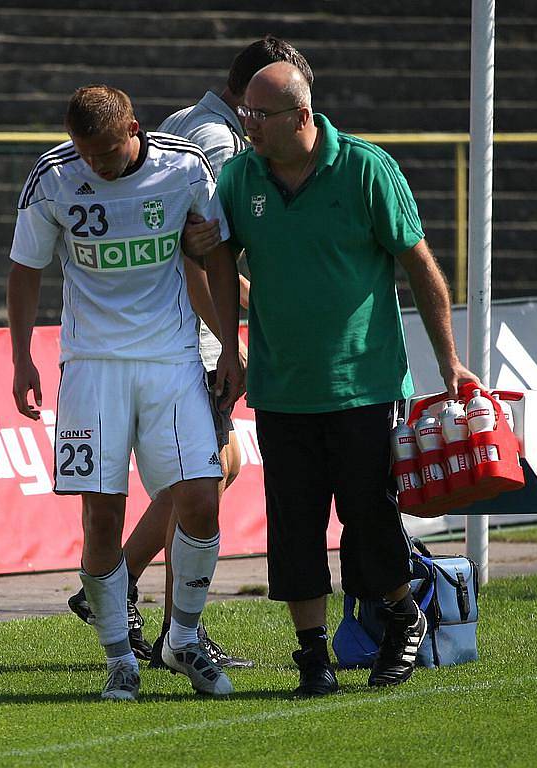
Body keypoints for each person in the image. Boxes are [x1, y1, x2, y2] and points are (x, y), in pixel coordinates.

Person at [196, 62, 482, 696]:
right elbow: (217, 259)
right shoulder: (242, 177)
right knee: (293, 523)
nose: (248, 126)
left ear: (301, 116)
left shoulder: (365, 168)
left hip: (366, 383)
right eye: (245, 113)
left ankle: (404, 615)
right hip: (281, 388)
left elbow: (420, 266)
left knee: (369, 517)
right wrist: (230, 350)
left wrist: (448, 359)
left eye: (260, 116)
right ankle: (311, 656)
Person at [66, 37, 314, 671]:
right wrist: (259, 314)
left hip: (180, 332)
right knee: (199, 479)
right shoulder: (220, 141)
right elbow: (194, 247)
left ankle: (124, 593)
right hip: (186, 337)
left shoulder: (183, 123)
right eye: (266, 107)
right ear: (249, 97)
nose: (265, 124)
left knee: (210, 475)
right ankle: (165, 622)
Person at [7, 85, 242, 701]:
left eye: (107, 153)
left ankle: (183, 638)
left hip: (170, 361)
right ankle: (119, 657)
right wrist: (21, 359)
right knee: (101, 514)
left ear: (133, 128)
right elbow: (25, 269)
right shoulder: (52, 176)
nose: (98, 166)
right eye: (87, 154)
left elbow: (214, 255)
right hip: (91, 369)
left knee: (200, 498)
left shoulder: (185, 164)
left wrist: (233, 348)